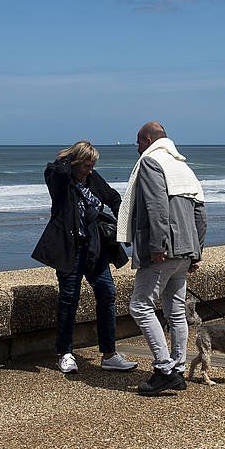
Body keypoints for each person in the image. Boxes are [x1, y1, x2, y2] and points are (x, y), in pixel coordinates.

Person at [31, 141, 138, 374]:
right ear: (76, 162)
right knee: (69, 299)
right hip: (70, 249)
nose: (90, 170)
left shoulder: (93, 179)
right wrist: (69, 158)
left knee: (107, 293)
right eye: (86, 165)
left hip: (95, 248)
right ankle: (65, 352)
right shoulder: (61, 180)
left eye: (93, 165)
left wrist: (123, 228)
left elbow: (113, 197)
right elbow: (54, 169)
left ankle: (109, 354)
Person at [116, 122, 207, 396]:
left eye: (137, 142)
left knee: (140, 306)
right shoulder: (184, 166)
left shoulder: (151, 162)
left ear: (147, 140)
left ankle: (165, 369)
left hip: (162, 251)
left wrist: (157, 245)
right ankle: (178, 368)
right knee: (176, 310)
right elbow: (200, 213)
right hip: (185, 250)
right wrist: (197, 251)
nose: (137, 148)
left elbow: (156, 206)